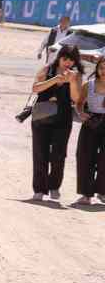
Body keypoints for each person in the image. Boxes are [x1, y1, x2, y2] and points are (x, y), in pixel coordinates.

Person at [29, 45, 80, 202]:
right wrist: (55, 79)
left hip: (63, 119)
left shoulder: (75, 75)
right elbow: (35, 88)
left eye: (71, 60)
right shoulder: (47, 69)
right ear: (59, 57)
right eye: (65, 59)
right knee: (40, 153)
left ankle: (54, 187)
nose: (68, 63)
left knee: (59, 154)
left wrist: (72, 81)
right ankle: (39, 189)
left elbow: (76, 99)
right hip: (42, 117)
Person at [78, 56, 105, 205]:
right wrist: (81, 114)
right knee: (86, 157)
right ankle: (86, 194)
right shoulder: (89, 85)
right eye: (101, 68)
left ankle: (102, 192)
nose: (104, 71)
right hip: (91, 122)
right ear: (97, 68)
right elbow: (79, 103)